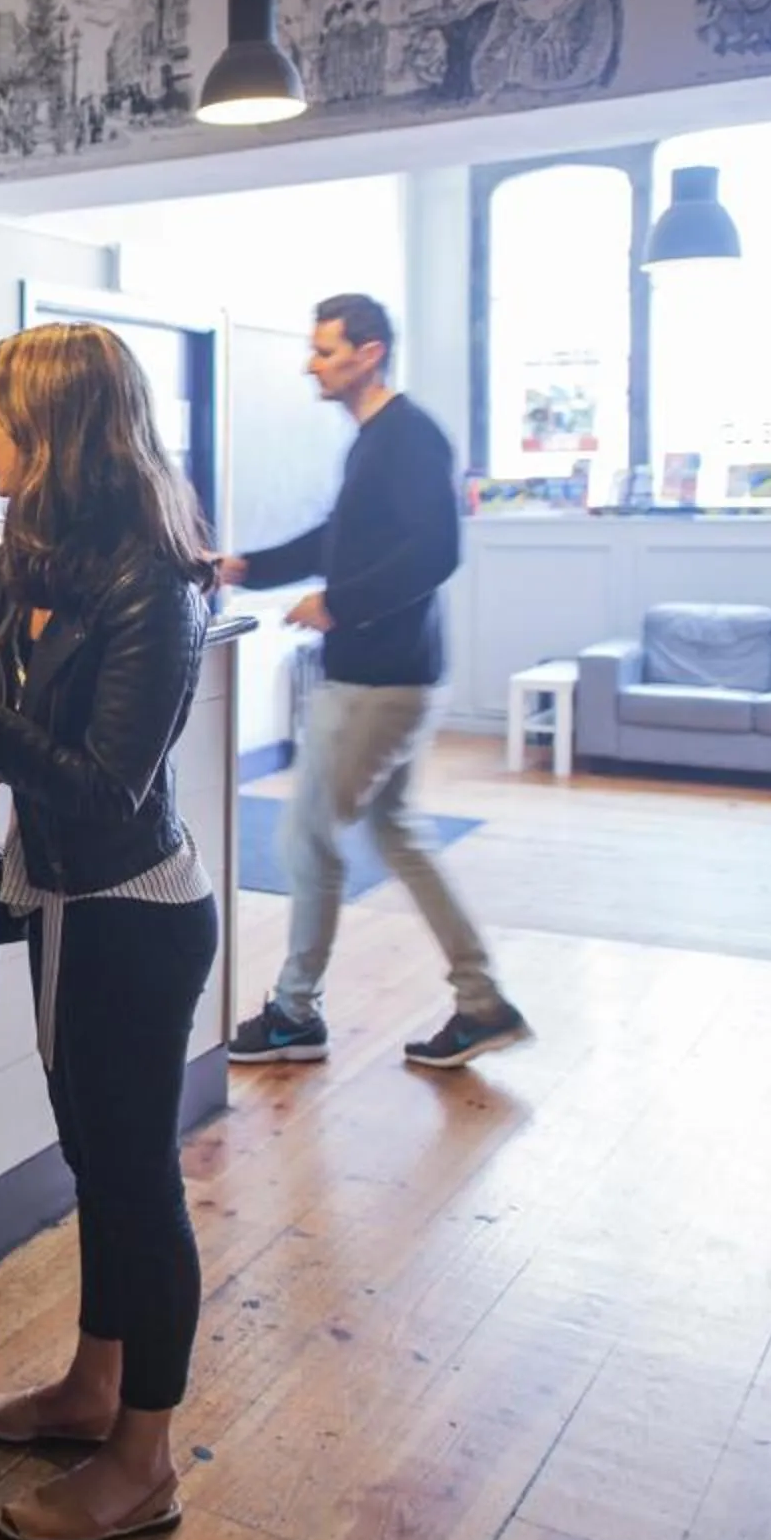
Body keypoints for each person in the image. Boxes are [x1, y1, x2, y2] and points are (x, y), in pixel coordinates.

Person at [0, 321, 216, 1540]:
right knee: (100, 1164)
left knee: (135, 1182)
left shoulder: (153, 586)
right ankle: (94, 1388)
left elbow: (107, 788)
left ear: (51, 426)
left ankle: (143, 1460)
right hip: (67, 907)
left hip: (132, 921)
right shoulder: (32, 550)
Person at [223, 293, 528, 1072]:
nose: (311, 365)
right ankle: (482, 1002)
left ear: (369, 353)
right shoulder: (374, 441)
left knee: (306, 836)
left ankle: (295, 1013)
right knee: (396, 831)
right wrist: (245, 568)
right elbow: (339, 539)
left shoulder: (409, 436)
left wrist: (340, 605)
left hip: (379, 679)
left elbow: (437, 552)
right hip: (389, 672)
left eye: (325, 351)